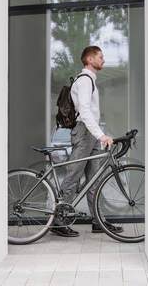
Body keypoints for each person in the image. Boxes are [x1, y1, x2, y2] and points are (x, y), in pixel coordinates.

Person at [51, 46, 123, 237]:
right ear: (90, 59)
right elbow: (84, 111)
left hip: (89, 134)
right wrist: (101, 135)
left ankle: (98, 221)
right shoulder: (84, 81)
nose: (104, 60)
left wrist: (98, 134)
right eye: (100, 57)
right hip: (84, 133)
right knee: (73, 175)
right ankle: (58, 220)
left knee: (95, 179)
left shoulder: (90, 80)